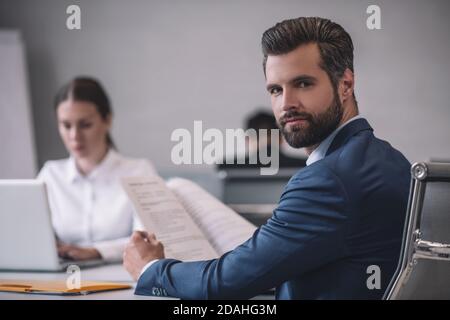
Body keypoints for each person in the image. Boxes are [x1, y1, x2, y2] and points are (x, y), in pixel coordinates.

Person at [123, 17, 411, 299]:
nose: (286, 104)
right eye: (276, 89)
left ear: (345, 84)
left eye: (303, 84)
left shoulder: (327, 180)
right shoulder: (393, 159)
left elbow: (223, 284)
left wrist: (151, 268)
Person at [38, 77, 156, 263]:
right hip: (63, 275)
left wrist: (95, 251)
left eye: (85, 125)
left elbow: (148, 241)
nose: (74, 136)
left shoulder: (139, 171)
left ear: (107, 120)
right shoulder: (50, 175)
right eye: (66, 125)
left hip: (120, 274)